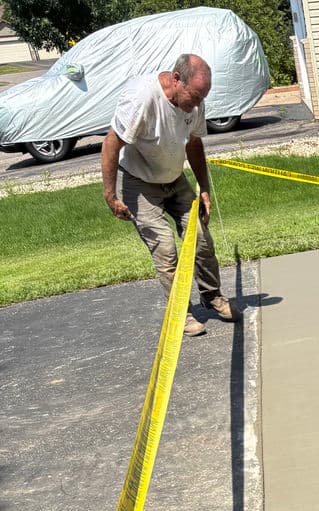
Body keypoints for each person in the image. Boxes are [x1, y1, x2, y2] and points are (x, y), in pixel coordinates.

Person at [101, 53, 240, 336]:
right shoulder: (142, 97)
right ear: (176, 79)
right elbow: (111, 143)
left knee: (201, 239)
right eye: (194, 96)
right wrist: (110, 194)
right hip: (140, 184)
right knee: (165, 250)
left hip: (175, 179)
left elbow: (194, 144)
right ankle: (181, 313)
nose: (198, 104)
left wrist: (203, 188)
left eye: (202, 98)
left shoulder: (194, 102)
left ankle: (212, 296)